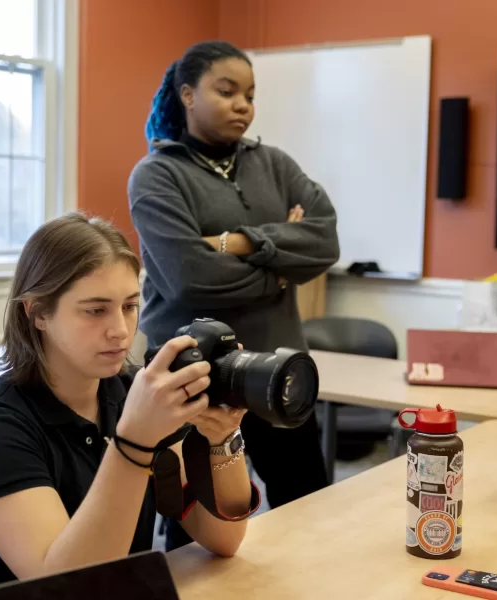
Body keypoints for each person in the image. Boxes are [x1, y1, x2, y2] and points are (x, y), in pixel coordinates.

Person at [0, 212, 257, 592]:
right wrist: (134, 443)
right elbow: (70, 588)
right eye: (95, 310)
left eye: (129, 306)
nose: (121, 330)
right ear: (37, 312)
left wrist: (223, 438)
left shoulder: (131, 393)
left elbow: (223, 539)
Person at [127, 40, 341, 551]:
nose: (243, 104)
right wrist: (282, 272)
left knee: (308, 509)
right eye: (226, 91)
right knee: (199, 527)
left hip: (277, 368)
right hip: (194, 377)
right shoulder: (156, 176)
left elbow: (325, 240)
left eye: (249, 94)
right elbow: (189, 277)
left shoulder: (276, 164)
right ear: (187, 94)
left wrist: (237, 242)